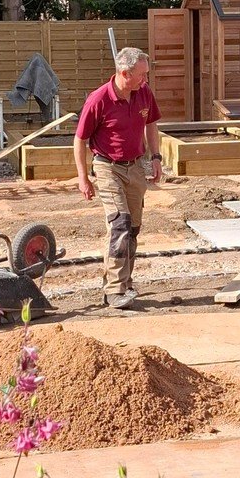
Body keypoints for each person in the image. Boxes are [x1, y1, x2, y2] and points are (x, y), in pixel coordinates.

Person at [74, 48, 162, 309]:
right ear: (125, 73)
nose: (146, 79)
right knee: (119, 224)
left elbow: (151, 124)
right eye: (142, 75)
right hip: (107, 167)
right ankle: (113, 290)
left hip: (135, 167)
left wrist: (155, 157)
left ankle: (124, 283)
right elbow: (80, 140)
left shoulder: (143, 92)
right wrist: (83, 177)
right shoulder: (99, 99)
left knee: (133, 227)